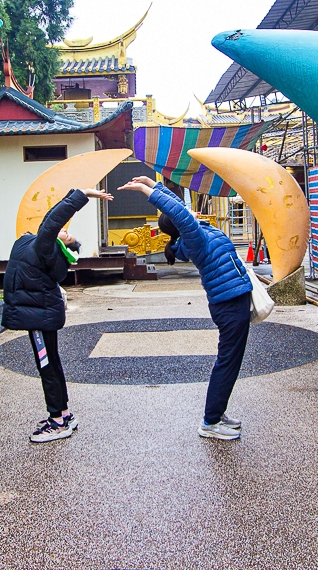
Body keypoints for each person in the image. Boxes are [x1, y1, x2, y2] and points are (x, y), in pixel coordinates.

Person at [118, 176, 253, 441]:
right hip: (228, 304)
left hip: (233, 300)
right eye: (185, 215)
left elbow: (180, 208)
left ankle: (217, 411)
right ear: (181, 224)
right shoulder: (195, 239)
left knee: (229, 362)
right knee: (227, 362)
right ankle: (210, 422)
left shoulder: (199, 231)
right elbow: (180, 214)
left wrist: (155, 185)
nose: (189, 210)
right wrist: (148, 191)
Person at [2, 187, 113, 443]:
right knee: (50, 363)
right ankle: (64, 413)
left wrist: (81, 195)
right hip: (38, 312)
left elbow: (53, 222)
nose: (66, 230)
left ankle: (58, 421)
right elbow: (50, 219)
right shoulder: (40, 242)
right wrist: (75, 193)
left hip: (38, 316)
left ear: (63, 243)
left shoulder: (46, 247)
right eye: (66, 230)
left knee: (47, 366)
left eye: (68, 234)